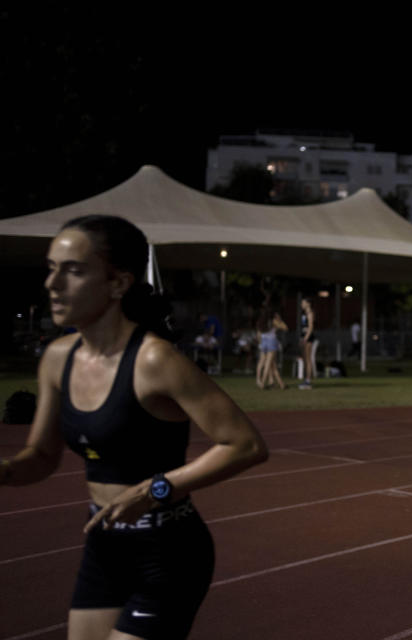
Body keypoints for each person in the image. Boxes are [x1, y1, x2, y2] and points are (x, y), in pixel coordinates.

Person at [0, 215, 268, 640]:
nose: (53, 284)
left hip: (168, 550)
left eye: (73, 270)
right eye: (51, 268)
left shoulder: (154, 361)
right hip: (104, 544)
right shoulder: (57, 358)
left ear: (118, 283)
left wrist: (154, 489)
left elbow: (246, 444)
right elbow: (42, 456)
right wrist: (7, 470)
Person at [256, 307, 287, 390]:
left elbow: (258, 334)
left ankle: (280, 384)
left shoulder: (261, 321)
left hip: (263, 342)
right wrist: (279, 319)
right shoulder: (273, 321)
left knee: (268, 364)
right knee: (268, 364)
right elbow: (285, 327)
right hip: (271, 342)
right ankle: (263, 383)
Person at [299, 297, 316, 390]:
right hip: (304, 337)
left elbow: (311, 327)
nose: (302, 304)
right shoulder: (304, 313)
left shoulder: (310, 313)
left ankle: (308, 380)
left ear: (308, 303)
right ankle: (306, 379)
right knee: (305, 359)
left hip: (308, 338)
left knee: (308, 359)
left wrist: (305, 338)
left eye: (303, 303)